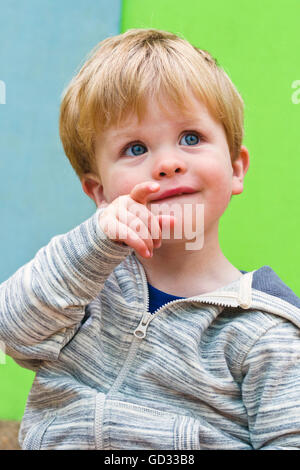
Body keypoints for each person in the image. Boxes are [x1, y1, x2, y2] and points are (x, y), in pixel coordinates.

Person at [1, 28, 300, 450]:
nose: (168, 164)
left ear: (236, 168)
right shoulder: (78, 283)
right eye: (136, 148)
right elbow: (11, 332)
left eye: (191, 138)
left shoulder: (265, 331)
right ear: (100, 193)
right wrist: (94, 243)